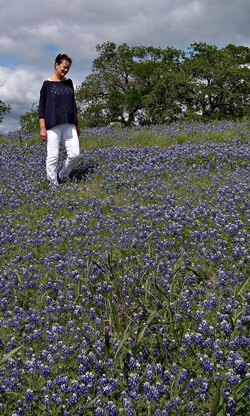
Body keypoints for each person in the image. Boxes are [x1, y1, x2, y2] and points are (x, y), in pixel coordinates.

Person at [38, 53, 80, 186]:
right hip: (52, 124)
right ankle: (53, 184)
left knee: (75, 154)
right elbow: (41, 108)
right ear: (56, 65)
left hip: (69, 123)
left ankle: (62, 175)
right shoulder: (47, 85)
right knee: (53, 157)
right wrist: (42, 128)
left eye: (68, 68)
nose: (66, 70)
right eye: (64, 67)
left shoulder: (69, 83)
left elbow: (73, 105)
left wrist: (77, 124)